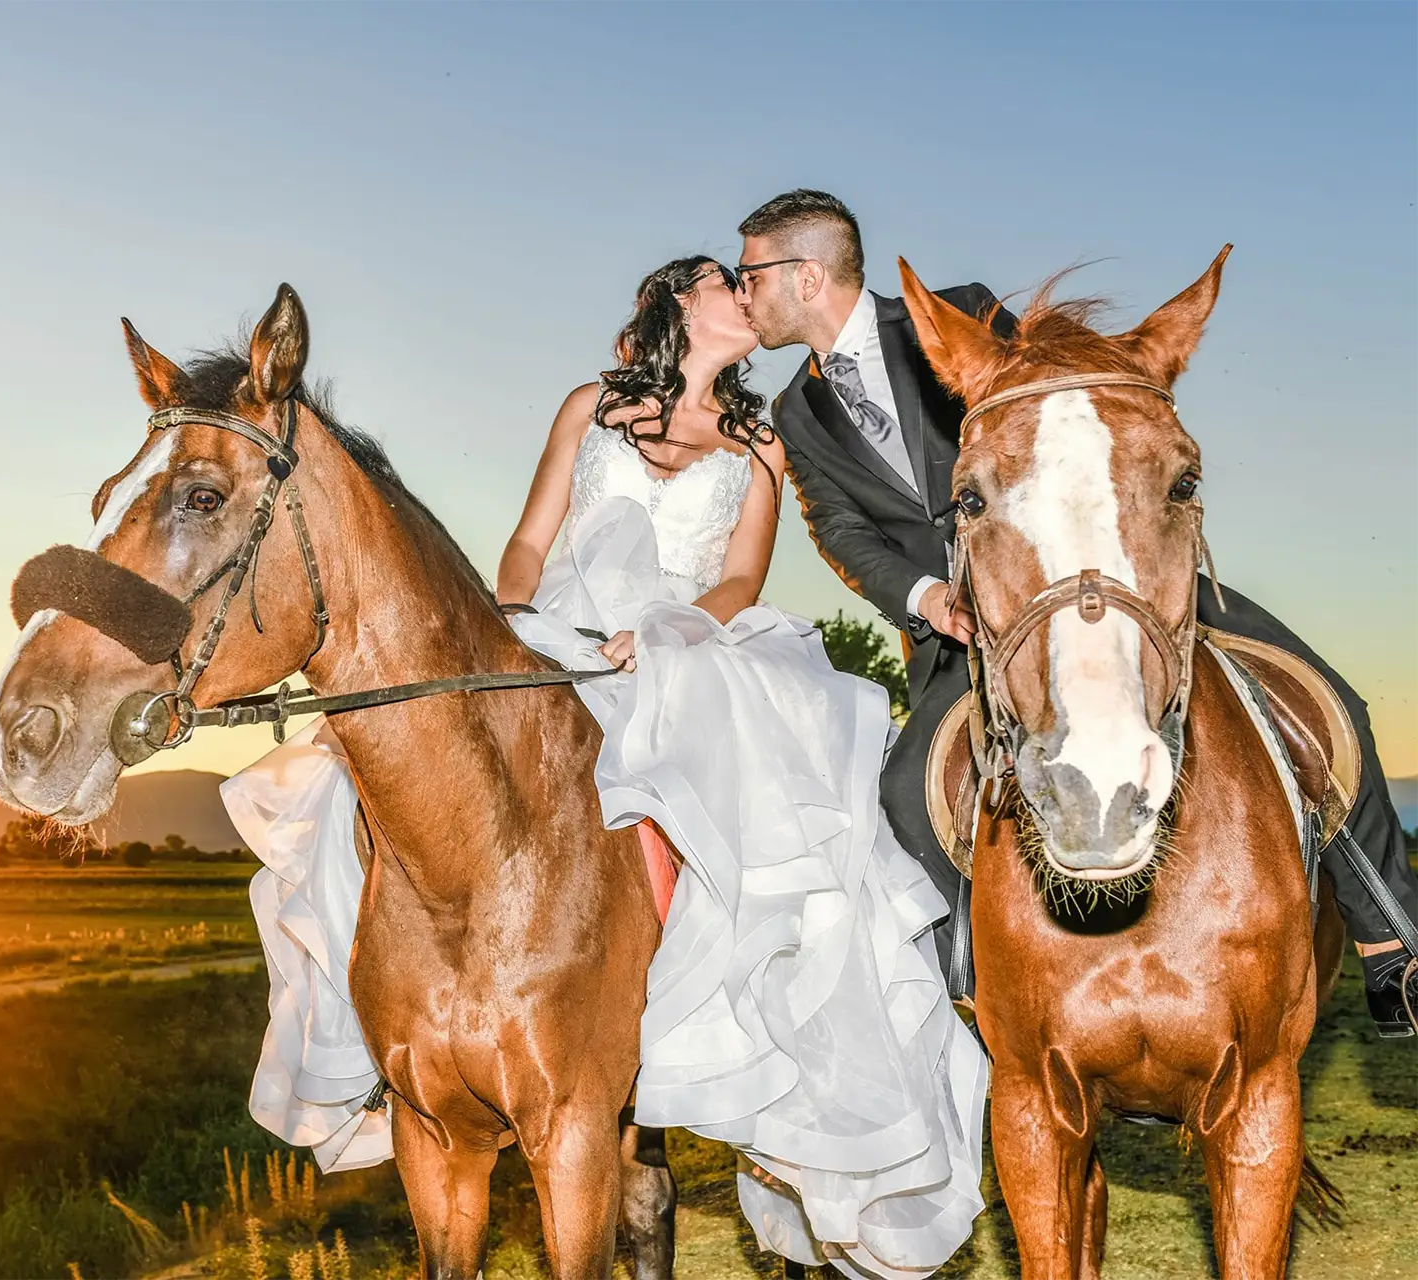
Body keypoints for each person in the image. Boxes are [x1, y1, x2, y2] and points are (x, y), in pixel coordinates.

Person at [224, 255, 987, 1278]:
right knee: (367, 784)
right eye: (721, 279)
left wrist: (667, 633)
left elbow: (740, 579)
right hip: (553, 635)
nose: (743, 293)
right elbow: (528, 543)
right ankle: (379, 1029)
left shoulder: (760, 441)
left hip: (681, 645)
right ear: (675, 301)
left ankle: (722, 1020)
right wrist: (517, 627)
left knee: (769, 805)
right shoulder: (590, 406)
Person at [739, 187, 1418, 1032]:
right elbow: (839, 529)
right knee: (905, 795)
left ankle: (1391, 937)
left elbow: (1068, 412)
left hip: (1092, 570)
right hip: (961, 625)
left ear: (806, 275)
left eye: (751, 275)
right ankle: (971, 987)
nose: (742, 293)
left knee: (1330, 702)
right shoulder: (795, 414)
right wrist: (925, 596)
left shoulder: (960, 312)